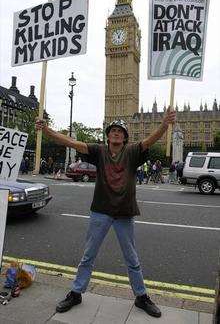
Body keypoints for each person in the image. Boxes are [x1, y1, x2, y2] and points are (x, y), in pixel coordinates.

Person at [35, 106, 175, 319]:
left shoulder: (132, 151)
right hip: (101, 211)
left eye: (120, 131)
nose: (116, 133)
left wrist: (165, 124)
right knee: (88, 255)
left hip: (124, 213)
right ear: (108, 135)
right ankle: (76, 292)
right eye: (113, 130)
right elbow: (71, 142)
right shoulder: (99, 151)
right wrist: (47, 131)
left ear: (125, 136)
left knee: (132, 258)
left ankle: (141, 296)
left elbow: (150, 140)